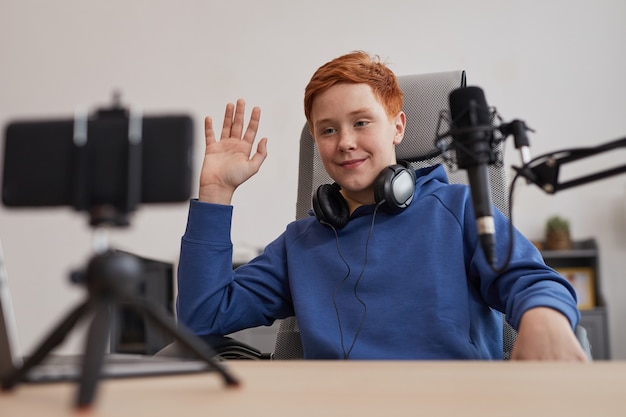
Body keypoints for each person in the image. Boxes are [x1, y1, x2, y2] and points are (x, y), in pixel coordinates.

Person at [176, 51, 588, 361]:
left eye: (361, 122)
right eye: (328, 130)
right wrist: (215, 193)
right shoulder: (301, 241)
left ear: (398, 126)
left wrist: (545, 317)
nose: (345, 142)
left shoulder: (455, 209)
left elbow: (534, 281)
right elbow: (202, 317)